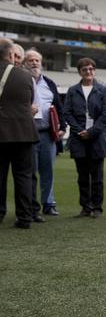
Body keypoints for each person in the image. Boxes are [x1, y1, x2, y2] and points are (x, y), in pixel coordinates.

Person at [63, 58, 106, 218]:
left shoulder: (103, 90)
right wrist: (79, 130)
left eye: (91, 69)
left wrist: (91, 131)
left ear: (94, 70)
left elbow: (105, 114)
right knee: (82, 176)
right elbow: (67, 112)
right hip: (78, 138)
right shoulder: (72, 90)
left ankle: (97, 207)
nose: (88, 72)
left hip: (97, 138)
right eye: (84, 69)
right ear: (80, 72)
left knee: (97, 176)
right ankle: (86, 206)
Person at [0, 38, 40, 229]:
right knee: (24, 175)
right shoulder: (25, 77)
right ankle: (25, 217)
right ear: (10, 55)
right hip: (23, 132)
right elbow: (29, 102)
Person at [24, 49, 66, 219]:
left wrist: (62, 126)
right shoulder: (21, 82)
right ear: (24, 63)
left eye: (37, 60)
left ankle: (49, 204)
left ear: (41, 63)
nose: (34, 63)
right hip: (28, 133)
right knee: (30, 172)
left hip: (47, 134)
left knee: (48, 170)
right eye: (31, 60)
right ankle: (31, 207)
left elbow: (58, 106)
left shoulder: (49, 83)